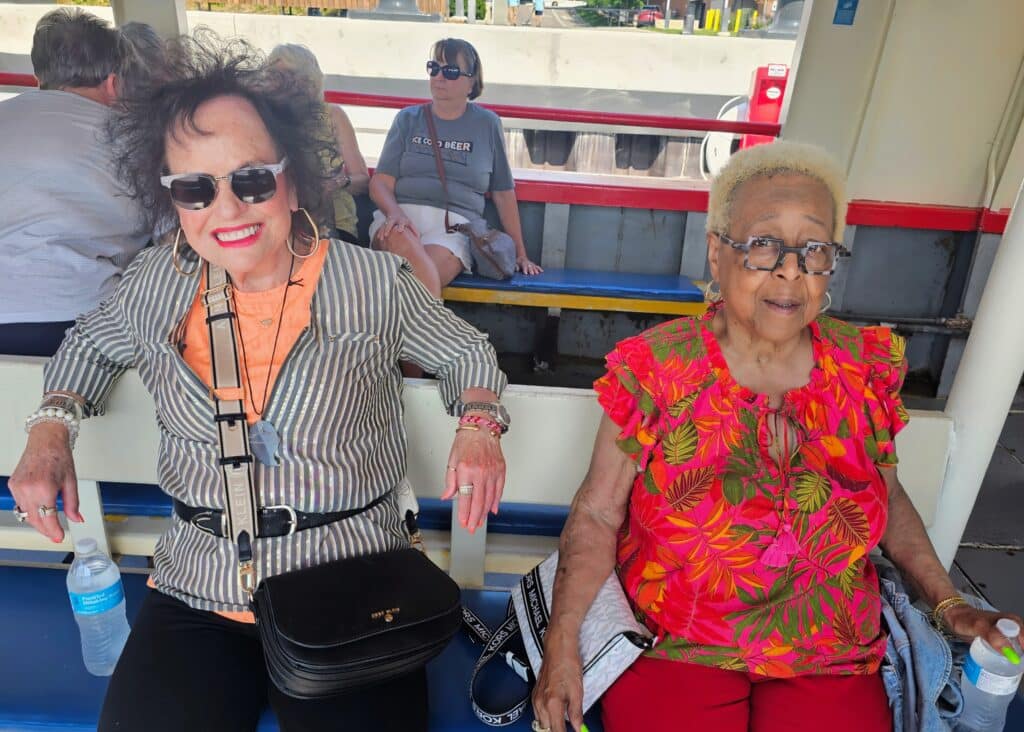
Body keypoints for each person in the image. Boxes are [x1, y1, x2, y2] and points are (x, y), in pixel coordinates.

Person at [7, 34, 508, 732]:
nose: (227, 210)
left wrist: (479, 426)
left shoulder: (369, 282)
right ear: (173, 197)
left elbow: (464, 353)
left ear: (293, 179)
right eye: (194, 188)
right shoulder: (158, 282)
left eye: (251, 180)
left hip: (351, 580)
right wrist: (50, 428)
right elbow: (89, 344)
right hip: (198, 589)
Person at [530, 141, 1024, 732]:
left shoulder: (863, 370)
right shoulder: (656, 371)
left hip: (831, 649)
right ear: (717, 252)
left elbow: (887, 500)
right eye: (764, 245)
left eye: (815, 249)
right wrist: (562, 644)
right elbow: (599, 514)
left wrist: (950, 605)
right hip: (678, 641)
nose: (791, 269)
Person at [0, 8, 149, 356]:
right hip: (84, 319)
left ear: (39, 77)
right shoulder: (134, 138)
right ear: (114, 82)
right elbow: (174, 234)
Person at [369, 38, 542, 301]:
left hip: (453, 229)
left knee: (416, 283)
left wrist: (520, 252)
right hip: (399, 219)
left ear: (471, 81)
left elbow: (503, 193)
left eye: (450, 71)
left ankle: (395, 339)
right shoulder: (407, 119)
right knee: (408, 256)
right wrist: (394, 213)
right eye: (433, 68)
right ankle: (433, 338)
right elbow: (381, 182)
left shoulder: (487, 124)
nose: (439, 77)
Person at [267, 43, 370, 244]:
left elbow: (363, 180)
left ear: (309, 81)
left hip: (333, 220)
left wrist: (335, 183)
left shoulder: (332, 116)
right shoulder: (262, 118)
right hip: (279, 219)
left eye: (289, 75)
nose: (280, 83)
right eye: (273, 75)